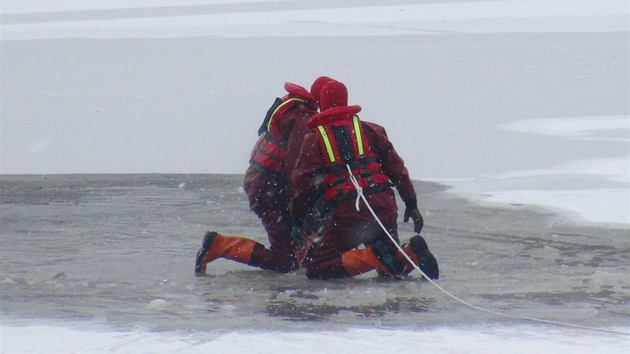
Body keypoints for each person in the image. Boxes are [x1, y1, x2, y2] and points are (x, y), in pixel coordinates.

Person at [289, 80, 439, 280]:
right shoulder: (372, 130)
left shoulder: (314, 138)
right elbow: (398, 169)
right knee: (391, 265)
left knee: (318, 268)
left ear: (322, 104)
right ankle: (413, 252)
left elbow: (303, 184)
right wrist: (411, 203)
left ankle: (371, 256)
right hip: (383, 203)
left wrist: (299, 220)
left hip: (348, 210)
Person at [195, 76, 335, 275]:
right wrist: (301, 206)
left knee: (292, 250)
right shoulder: (303, 119)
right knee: (286, 260)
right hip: (267, 189)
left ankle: (222, 245)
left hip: (264, 184)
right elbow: (296, 168)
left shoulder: (295, 111)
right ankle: (219, 246)